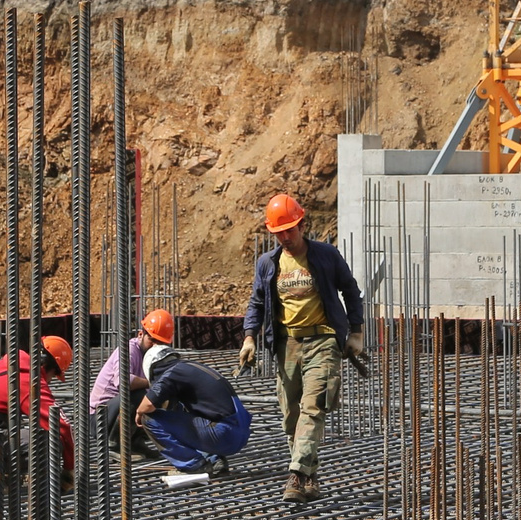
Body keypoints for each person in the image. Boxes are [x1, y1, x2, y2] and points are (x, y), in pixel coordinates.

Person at [236, 192, 364, 503]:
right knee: (292, 415)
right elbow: (257, 302)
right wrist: (250, 336)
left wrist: (356, 332)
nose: (284, 237)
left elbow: (350, 290)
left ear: (302, 225)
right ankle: (310, 475)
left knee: (313, 407)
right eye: (278, 233)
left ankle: (295, 474)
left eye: (289, 230)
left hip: (322, 340)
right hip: (287, 345)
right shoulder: (268, 263)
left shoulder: (325, 256)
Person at [136, 343, 251, 477]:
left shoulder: (172, 373)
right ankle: (214, 460)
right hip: (239, 433)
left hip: (223, 433)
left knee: (148, 418)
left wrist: (139, 413)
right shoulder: (190, 368)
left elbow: (148, 405)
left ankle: (193, 465)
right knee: (181, 410)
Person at [0, 335, 76, 488]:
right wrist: (70, 468)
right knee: (50, 442)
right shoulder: (28, 380)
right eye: (53, 375)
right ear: (48, 367)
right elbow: (61, 426)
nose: (49, 381)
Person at [87, 308, 175, 467]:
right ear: (141, 334)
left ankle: (135, 441)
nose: (155, 346)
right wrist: (152, 383)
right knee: (139, 394)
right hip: (100, 418)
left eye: (160, 342)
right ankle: (114, 445)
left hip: (120, 413)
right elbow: (123, 382)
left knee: (162, 398)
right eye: (152, 339)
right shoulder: (129, 350)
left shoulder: (156, 356)